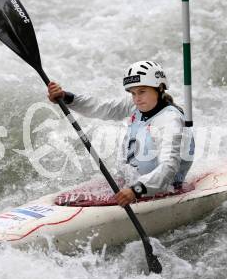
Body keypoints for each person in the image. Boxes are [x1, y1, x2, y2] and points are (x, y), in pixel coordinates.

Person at [47, 61, 195, 206]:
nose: (137, 98)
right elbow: (101, 107)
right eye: (133, 93)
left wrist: (136, 190)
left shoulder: (170, 120)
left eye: (142, 91)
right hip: (131, 184)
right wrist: (66, 97)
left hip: (161, 189)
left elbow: (169, 166)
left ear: (160, 88)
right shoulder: (135, 105)